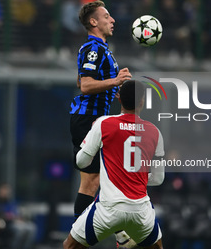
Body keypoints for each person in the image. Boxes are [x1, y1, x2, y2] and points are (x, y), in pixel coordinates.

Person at [64, 80, 165, 249]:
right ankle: (125, 236)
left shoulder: (104, 124)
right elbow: (158, 179)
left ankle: (122, 234)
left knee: (70, 246)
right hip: (140, 210)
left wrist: (89, 141)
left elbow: (81, 161)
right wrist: (133, 177)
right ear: (142, 102)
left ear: (118, 98)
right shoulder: (154, 131)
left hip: (108, 208)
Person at [69, 0, 132, 247]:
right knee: (92, 181)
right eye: (106, 16)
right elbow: (85, 85)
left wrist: (108, 89)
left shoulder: (101, 49)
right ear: (93, 22)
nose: (112, 20)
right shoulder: (93, 48)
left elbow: (79, 81)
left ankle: (104, 232)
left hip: (96, 121)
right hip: (87, 120)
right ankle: (80, 236)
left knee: (103, 177)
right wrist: (114, 82)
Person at [0, 183, 37, 249]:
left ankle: (26, 247)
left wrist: (19, 218)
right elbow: (0, 215)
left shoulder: (11, 202)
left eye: (7, 191)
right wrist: (12, 218)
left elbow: (16, 213)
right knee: (20, 230)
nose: (6, 193)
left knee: (32, 227)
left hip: (17, 221)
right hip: (7, 224)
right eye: (4, 191)